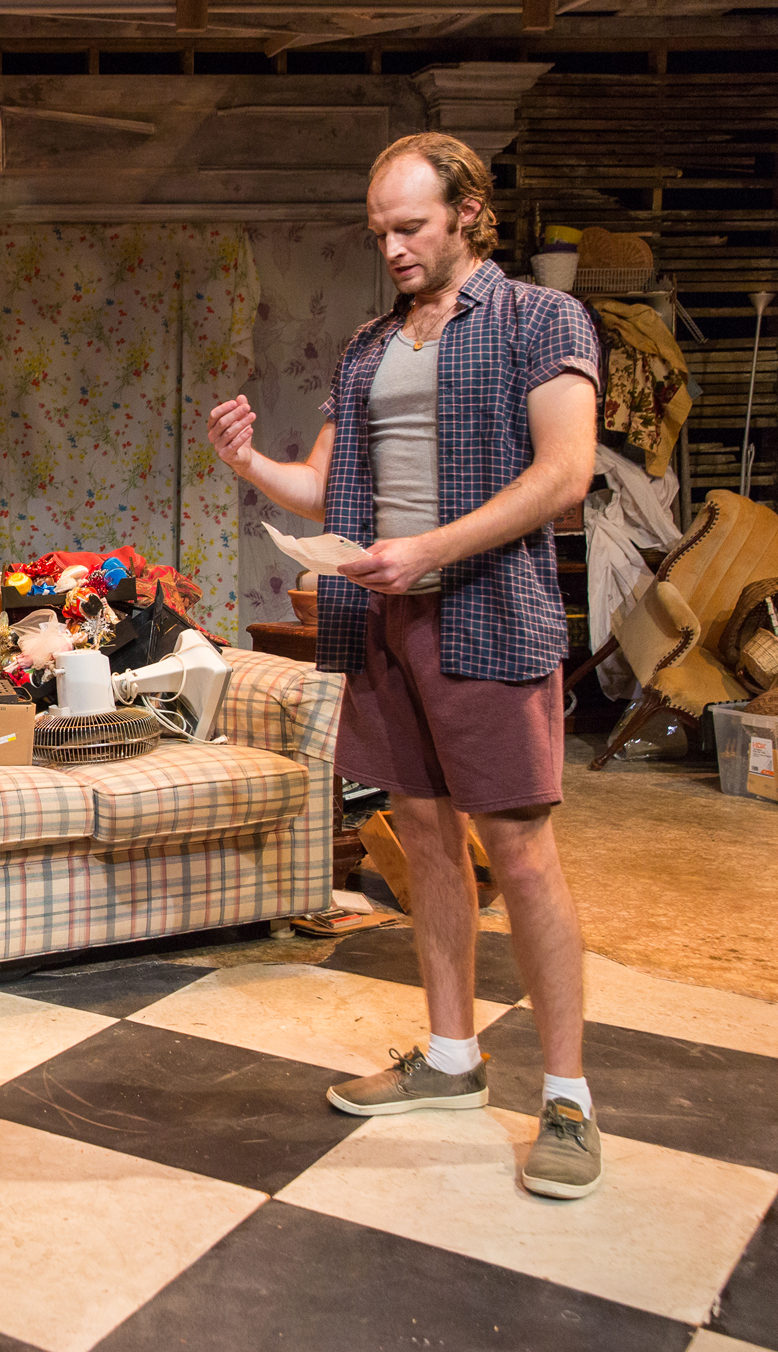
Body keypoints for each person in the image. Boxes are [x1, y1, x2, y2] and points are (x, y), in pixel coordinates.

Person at [207, 132, 605, 1199]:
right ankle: (450, 1058)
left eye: (411, 227)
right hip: (381, 630)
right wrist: (251, 465)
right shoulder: (368, 346)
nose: (391, 247)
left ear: (470, 212)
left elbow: (565, 474)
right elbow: (327, 491)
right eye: (378, 230)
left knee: (518, 853)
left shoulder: (540, 322)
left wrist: (434, 548)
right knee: (423, 838)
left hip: (487, 619)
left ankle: (566, 1096)